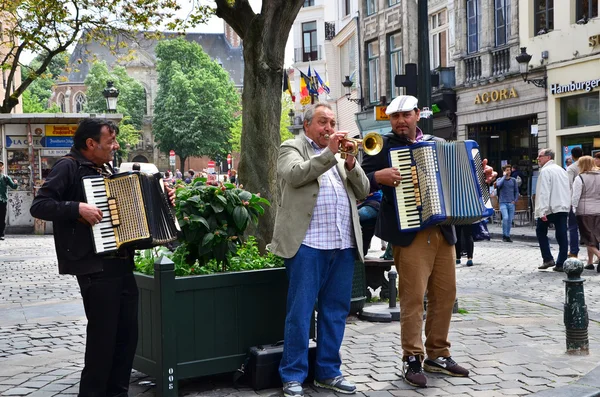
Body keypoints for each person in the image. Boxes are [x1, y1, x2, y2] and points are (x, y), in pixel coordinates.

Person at [30, 118, 174, 397]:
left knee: (126, 338)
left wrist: (163, 199)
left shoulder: (107, 169)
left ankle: (117, 393)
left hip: (120, 263)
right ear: (90, 143)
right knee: (102, 341)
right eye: (111, 141)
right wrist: (77, 208)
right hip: (94, 268)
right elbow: (40, 205)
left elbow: (134, 211)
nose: (116, 146)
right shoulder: (68, 167)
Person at [361, 95, 495, 388]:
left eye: (405, 115)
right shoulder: (381, 145)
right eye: (394, 117)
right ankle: (412, 357)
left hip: (444, 230)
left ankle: (438, 353)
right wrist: (378, 178)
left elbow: (472, 182)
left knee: (445, 295)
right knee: (412, 299)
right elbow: (361, 178)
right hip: (409, 234)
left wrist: (484, 178)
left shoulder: (437, 143)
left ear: (417, 115)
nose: (399, 121)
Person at [270, 103, 370, 397]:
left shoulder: (341, 157)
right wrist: (330, 154)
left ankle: (328, 372)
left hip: (342, 244)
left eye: (332, 122)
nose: (329, 128)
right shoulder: (292, 147)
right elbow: (295, 175)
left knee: (335, 313)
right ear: (307, 126)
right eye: (323, 123)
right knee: (300, 314)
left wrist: (351, 164)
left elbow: (363, 190)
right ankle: (292, 375)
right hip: (307, 245)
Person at [535, 148, 570, 272]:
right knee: (562, 235)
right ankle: (561, 263)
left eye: (540, 156)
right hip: (562, 207)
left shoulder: (546, 171)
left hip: (550, 208)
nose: (538, 158)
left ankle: (548, 258)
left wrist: (542, 211)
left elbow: (544, 192)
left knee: (540, 231)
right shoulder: (562, 170)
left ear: (548, 157)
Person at [571, 156, 600, 271]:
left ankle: (598, 255)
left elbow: (575, 196)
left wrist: (573, 208)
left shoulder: (580, 178)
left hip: (584, 211)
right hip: (598, 210)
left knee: (587, 237)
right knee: (594, 237)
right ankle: (589, 261)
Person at [566, 147, 583, 259]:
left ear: (572, 156)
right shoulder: (589, 166)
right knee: (591, 228)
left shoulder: (571, 168)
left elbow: (568, 185)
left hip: (575, 200)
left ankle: (574, 251)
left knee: (573, 227)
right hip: (590, 201)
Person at [496, 164, 519, 242]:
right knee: (505, 218)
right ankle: (504, 234)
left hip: (511, 203)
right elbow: (498, 185)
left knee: (510, 220)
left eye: (509, 170)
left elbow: (516, 191)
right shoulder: (500, 179)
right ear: (504, 171)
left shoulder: (513, 180)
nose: (509, 171)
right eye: (507, 170)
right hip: (503, 202)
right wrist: (503, 176)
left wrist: (515, 200)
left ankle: (507, 235)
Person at [0, 160, 18, 240]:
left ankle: (1, 234)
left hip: (2, 200)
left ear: (2, 167)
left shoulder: (5, 177)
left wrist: (16, 183)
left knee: (2, 218)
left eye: (0, 166)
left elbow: (14, 186)